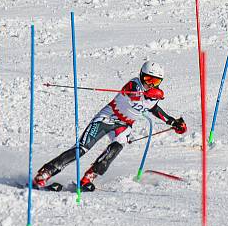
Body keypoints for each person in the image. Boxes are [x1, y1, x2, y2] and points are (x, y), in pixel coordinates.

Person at [34, 60, 187, 192]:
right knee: (81, 149)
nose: (149, 83)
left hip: (124, 125)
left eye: (155, 81)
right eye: (148, 79)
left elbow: (153, 108)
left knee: (116, 148)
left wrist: (173, 122)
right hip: (106, 118)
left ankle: (89, 177)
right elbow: (133, 93)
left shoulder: (154, 95)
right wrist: (151, 93)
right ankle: (44, 174)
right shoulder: (135, 84)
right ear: (141, 75)